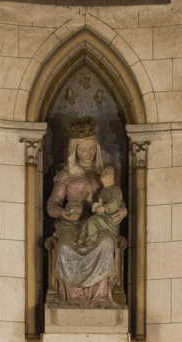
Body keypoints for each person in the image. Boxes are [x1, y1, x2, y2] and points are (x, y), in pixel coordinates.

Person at [46, 119, 125, 308]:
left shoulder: (105, 173)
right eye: (82, 150)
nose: (87, 154)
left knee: (106, 243)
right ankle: (71, 299)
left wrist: (123, 210)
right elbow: (51, 206)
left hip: (98, 224)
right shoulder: (66, 176)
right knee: (64, 246)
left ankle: (101, 298)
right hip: (71, 225)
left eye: (91, 149)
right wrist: (65, 213)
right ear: (75, 151)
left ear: (96, 149)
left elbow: (116, 198)